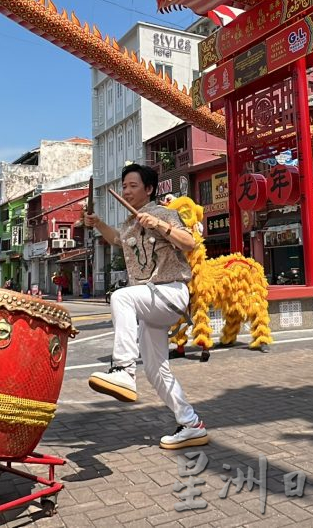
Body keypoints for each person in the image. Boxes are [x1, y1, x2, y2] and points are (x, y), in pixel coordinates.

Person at [84, 163, 208, 450]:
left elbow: (189, 243)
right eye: (124, 186)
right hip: (150, 300)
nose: (126, 190)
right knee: (156, 370)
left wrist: (161, 225)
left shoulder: (164, 213)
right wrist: (98, 223)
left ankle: (124, 371)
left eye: (133, 186)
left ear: (149, 189)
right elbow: (117, 240)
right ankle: (191, 424)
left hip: (171, 291)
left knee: (121, 297)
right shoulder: (129, 223)